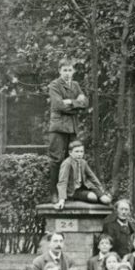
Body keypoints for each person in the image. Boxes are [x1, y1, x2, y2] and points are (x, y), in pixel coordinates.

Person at [47, 58, 89, 203]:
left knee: (73, 159)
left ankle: (70, 193)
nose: (67, 73)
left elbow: (85, 103)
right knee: (57, 160)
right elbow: (59, 106)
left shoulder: (76, 85)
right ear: (59, 71)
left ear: (73, 71)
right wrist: (76, 103)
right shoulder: (54, 85)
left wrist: (70, 102)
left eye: (70, 70)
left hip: (72, 128)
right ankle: (54, 193)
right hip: (58, 128)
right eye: (64, 70)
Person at [55, 140, 112, 210]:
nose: (79, 154)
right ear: (70, 152)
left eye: (81, 151)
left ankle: (95, 196)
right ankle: (82, 198)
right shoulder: (67, 163)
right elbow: (62, 182)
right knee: (93, 197)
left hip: (86, 187)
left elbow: (92, 177)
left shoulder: (83, 162)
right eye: (77, 151)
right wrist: (62, 199)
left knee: (107, 200)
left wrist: (101, 190)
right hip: (74, 190)